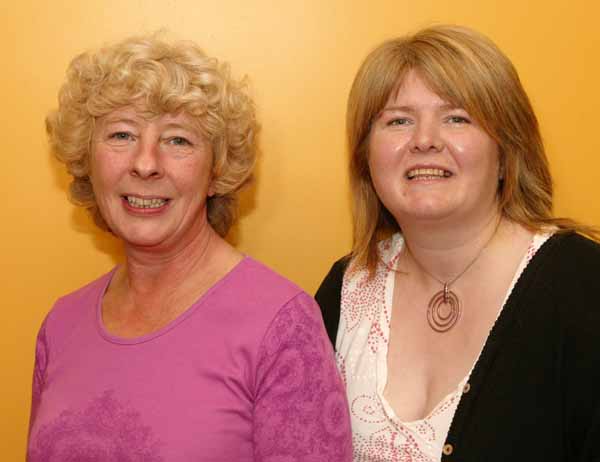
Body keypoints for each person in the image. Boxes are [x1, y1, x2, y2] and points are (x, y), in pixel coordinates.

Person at [28, 35, 352, 461]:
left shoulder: (282, 326)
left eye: (178, 140)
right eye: (121, 134)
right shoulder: (61, 325)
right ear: (86, 159)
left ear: (217, 171)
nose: (145, 164)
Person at [316, 25, 600, 461]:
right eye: (398, 120)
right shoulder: (346, 288)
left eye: (457, 118)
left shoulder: (583, 286)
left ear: (507, 152)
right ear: (366, 158)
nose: (424, 140)